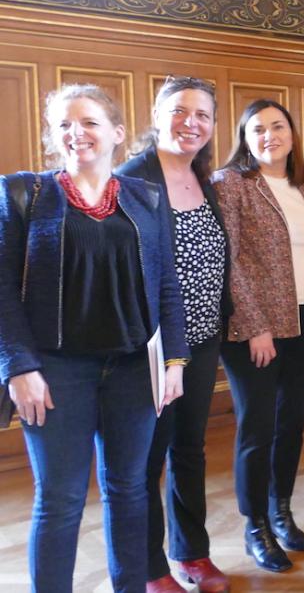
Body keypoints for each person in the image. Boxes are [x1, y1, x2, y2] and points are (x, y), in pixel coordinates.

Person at [0, 84, 189, 592]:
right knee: (59, 499)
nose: (75, 133)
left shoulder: (145, 197)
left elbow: (167, 282)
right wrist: (18, 366)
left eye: (88, 122)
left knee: (129, 490)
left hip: (133, 367)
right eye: (64, 124)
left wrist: (175, 360)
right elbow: (0, 289)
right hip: (56, 370)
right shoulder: (25, 193)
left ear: (117, 134)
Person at [118, 76, 232, 593]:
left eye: (203, 115)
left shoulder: (203, 178)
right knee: (146, 456)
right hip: (151, 346)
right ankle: (149, 567)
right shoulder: (130, 179)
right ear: (157, 115)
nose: (192, 123)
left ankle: (193, 552)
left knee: (189, 448)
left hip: (203, 338)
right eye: (181, 111)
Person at [212, 99, 304, 573]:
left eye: (278, 126)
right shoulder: (230, 183)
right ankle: (255, 524)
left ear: (292, 134)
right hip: (252, 327)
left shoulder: (303, 185)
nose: (269, 135)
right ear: (245, 136)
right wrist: (254, 325)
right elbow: (228, 260)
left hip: (303, 320)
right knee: (257, 429)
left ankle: (281, 510)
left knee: (291, 424)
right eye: (258, 129)